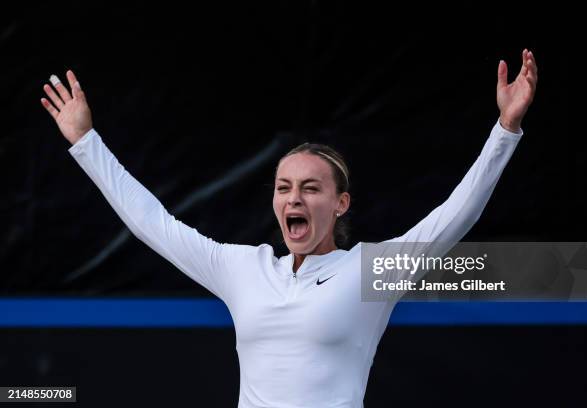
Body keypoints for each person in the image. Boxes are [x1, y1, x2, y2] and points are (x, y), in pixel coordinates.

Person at [40, 49, 537, 407]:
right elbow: (151, 222)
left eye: (310, 188)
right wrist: (86, 142)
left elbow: (456, 214)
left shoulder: (370, 270)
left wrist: (505, 130)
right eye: (283, 187)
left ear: (341, 203)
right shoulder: (241, 268)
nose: (294, 198)